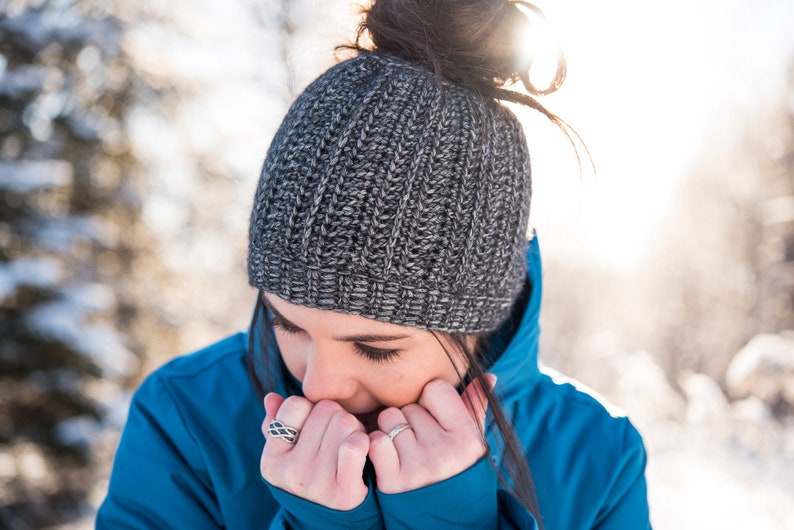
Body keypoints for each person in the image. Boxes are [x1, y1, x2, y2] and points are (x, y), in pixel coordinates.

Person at [97, 0, 652, 528]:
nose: (319, 386)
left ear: (482, 320)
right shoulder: (185, 418)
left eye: (375, 347)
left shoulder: (601, 457)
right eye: (286, 323)